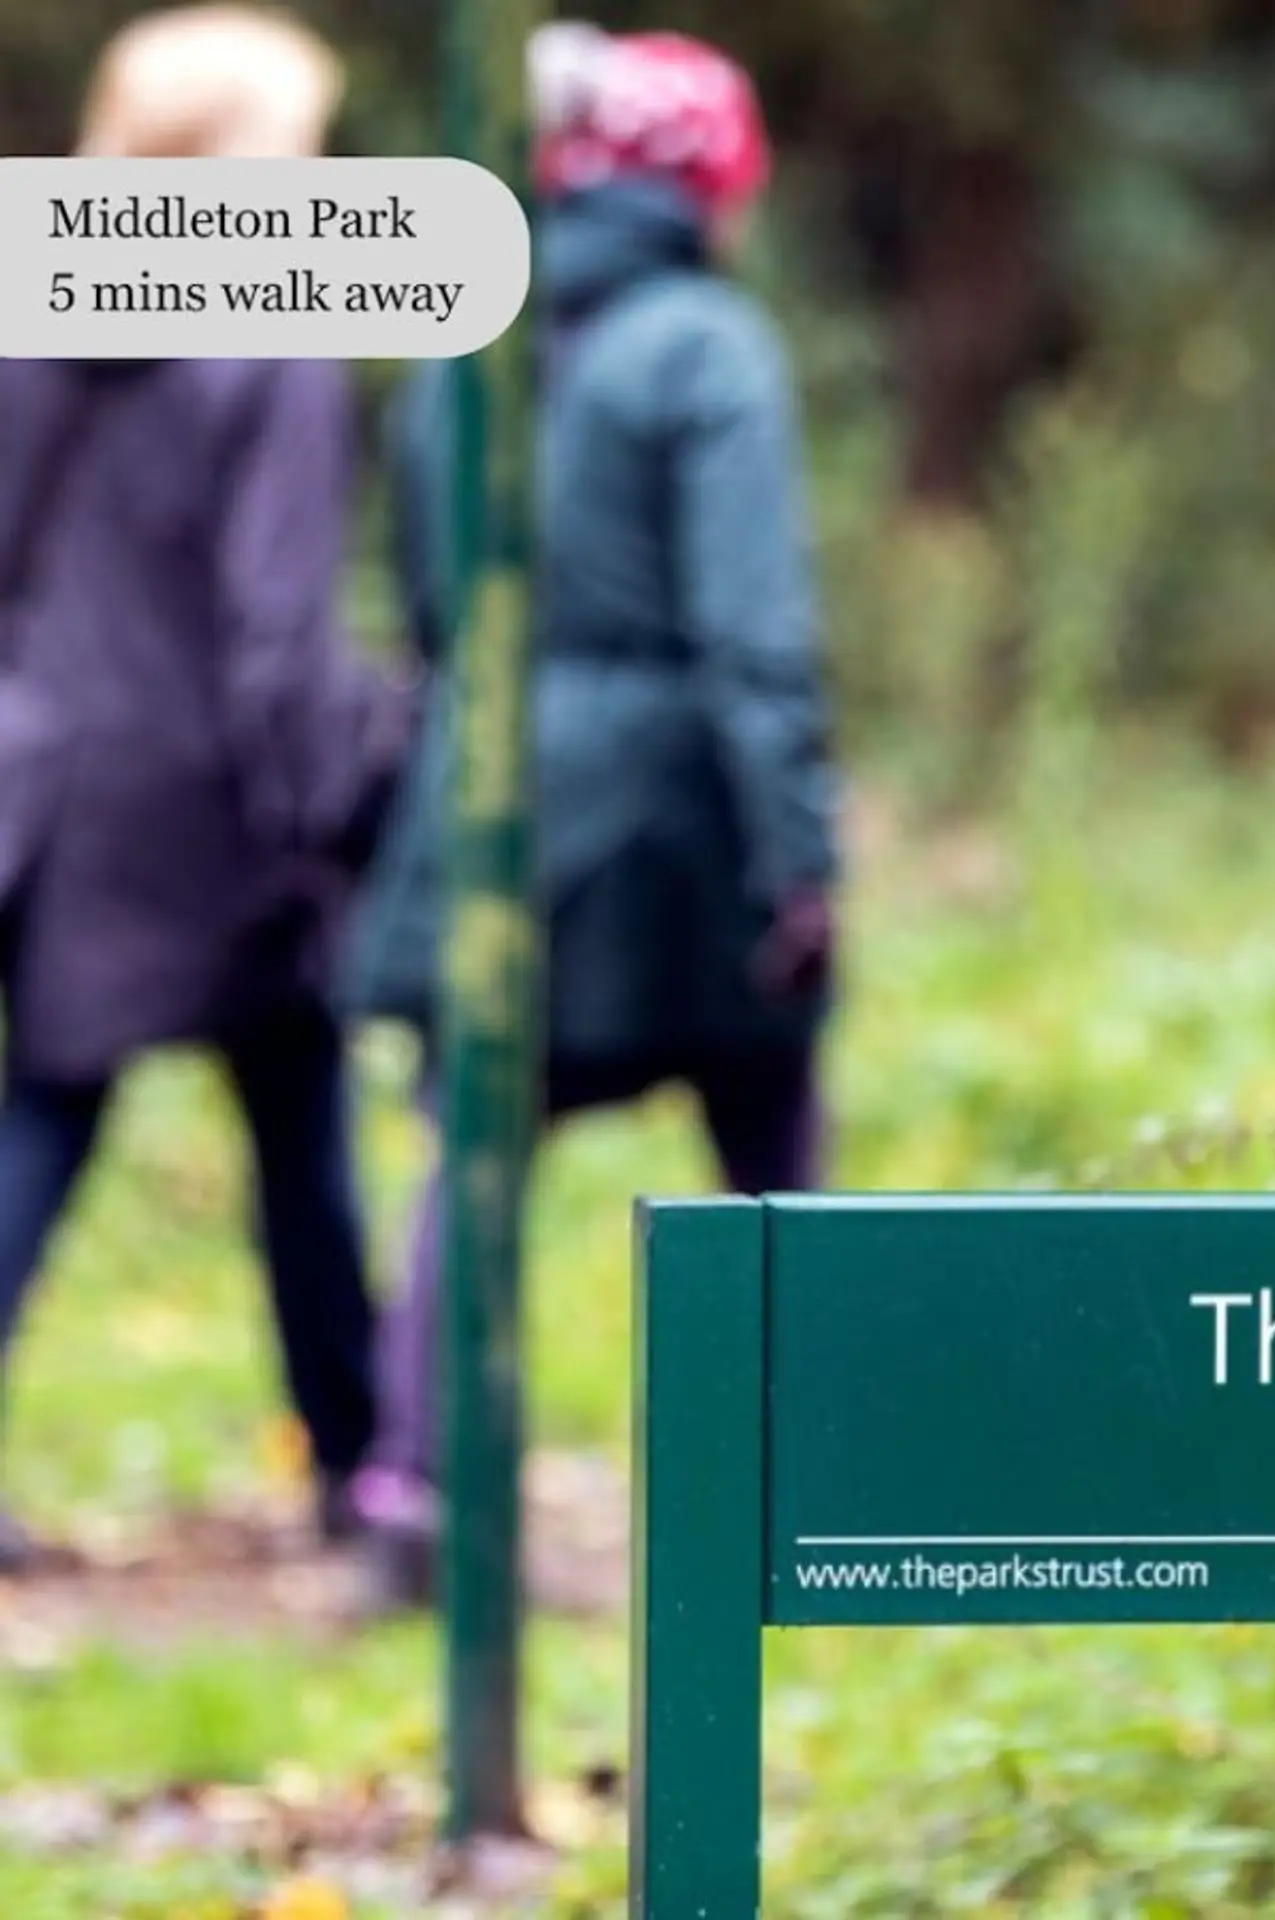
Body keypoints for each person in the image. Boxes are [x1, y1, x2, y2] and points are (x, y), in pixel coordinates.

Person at [342, 22, 843, 1605]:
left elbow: (428, 598)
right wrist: (801, 857)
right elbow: (756, 630)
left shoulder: (464, 344)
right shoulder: (708, 348)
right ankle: (810, 1484)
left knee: (476, 1146)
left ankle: (415, 1494)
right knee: (767, 1131)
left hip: (484, 786)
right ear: (711, 186)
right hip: (674, 817)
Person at [0, 5, 412, 1572]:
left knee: (48, 1111)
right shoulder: (274, 341)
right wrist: (339, 804)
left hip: (56, 780)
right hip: (221, 798)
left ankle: (357, 1451)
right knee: (301, 1132)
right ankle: (362, 1464)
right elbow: (277, 628)